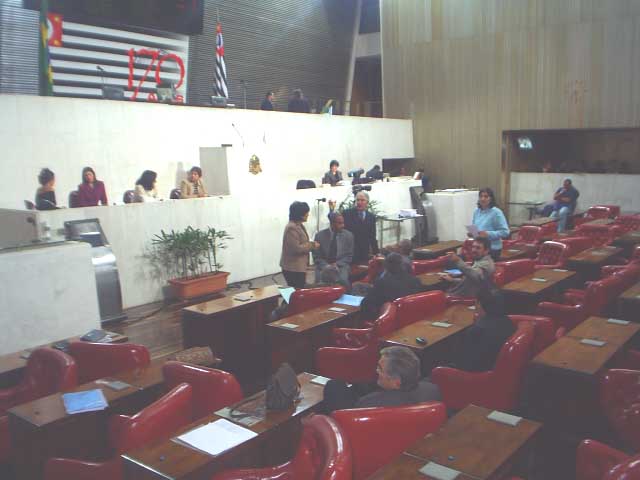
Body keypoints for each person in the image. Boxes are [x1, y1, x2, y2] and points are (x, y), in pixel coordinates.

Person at [322, 346, 441, 412]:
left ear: (396, 381)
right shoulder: (433, 389)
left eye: (380, 368)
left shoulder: (369, 404)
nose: (376, 370)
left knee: (334, 385)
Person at [452, 288, 516, 372]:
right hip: (499, 368)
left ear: (479, 304)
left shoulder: (477, 331)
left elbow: (465, 364)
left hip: (477, 374)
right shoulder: (508, 322)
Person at [360, 253, 424, 320]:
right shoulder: (416, 281)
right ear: (402, 265)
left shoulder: (382, 282)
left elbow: (366, 304)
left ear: (386, 266)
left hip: (388, 319)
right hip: (411, 318)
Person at [331, 191, 379, 264]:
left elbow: (372, 237)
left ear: (367, 202)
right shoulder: (347, 214)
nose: (359, 202)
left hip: (364, 253)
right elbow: (340, 232)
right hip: (349, 253)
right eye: (357, 200)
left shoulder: (371, 217)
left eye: (362, 200)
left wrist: (376, 253)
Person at [279, 201, 319, 288]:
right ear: (300, 214)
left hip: (298, 267)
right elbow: (296, 248)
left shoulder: (299, 225)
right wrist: (312, 245)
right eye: (306, 213)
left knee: (299, 289)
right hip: (293, 268)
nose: (308, 215)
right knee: (297, 291)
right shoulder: (292, 228)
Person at [313, 212, 354, 288]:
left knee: (343, 281)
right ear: (332, 223)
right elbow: (316, 256)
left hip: (341, 265)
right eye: (340, 223)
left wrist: (337, 264)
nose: (343, 225)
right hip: (323, 265)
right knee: (320, 282)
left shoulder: (348, 235)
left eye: (343, 223)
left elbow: (349, 256)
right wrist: (326, 266)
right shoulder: (319, 236)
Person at [471, 188, 509, 261]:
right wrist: (473, 233)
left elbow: (505, 232)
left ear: (491, 199)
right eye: (481, 196)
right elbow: (475, 227)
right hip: (478, 247)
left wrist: (488, 234)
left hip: (492, 249)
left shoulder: (496, 212)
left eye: (486, 196)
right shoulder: (476, 211)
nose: (483, 199)